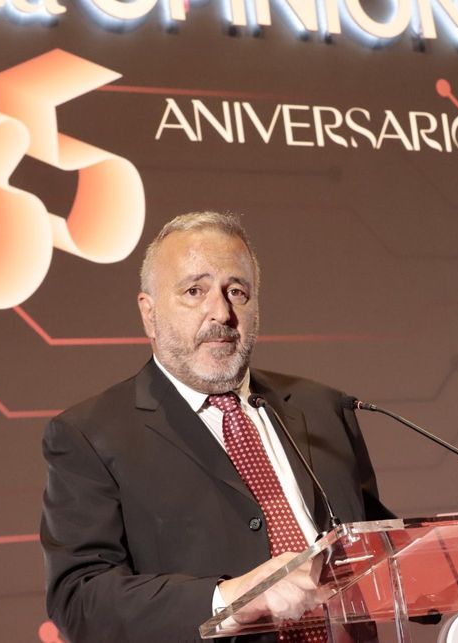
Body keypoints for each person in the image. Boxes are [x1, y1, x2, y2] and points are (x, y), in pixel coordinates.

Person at [40, 211, 390, 642]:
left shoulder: (322, 407)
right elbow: (80, 599)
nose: (221, 313)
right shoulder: (89, 435)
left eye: (237, 292)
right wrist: (231, 600)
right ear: (149, 314)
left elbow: (380, 547)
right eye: (194, 291)